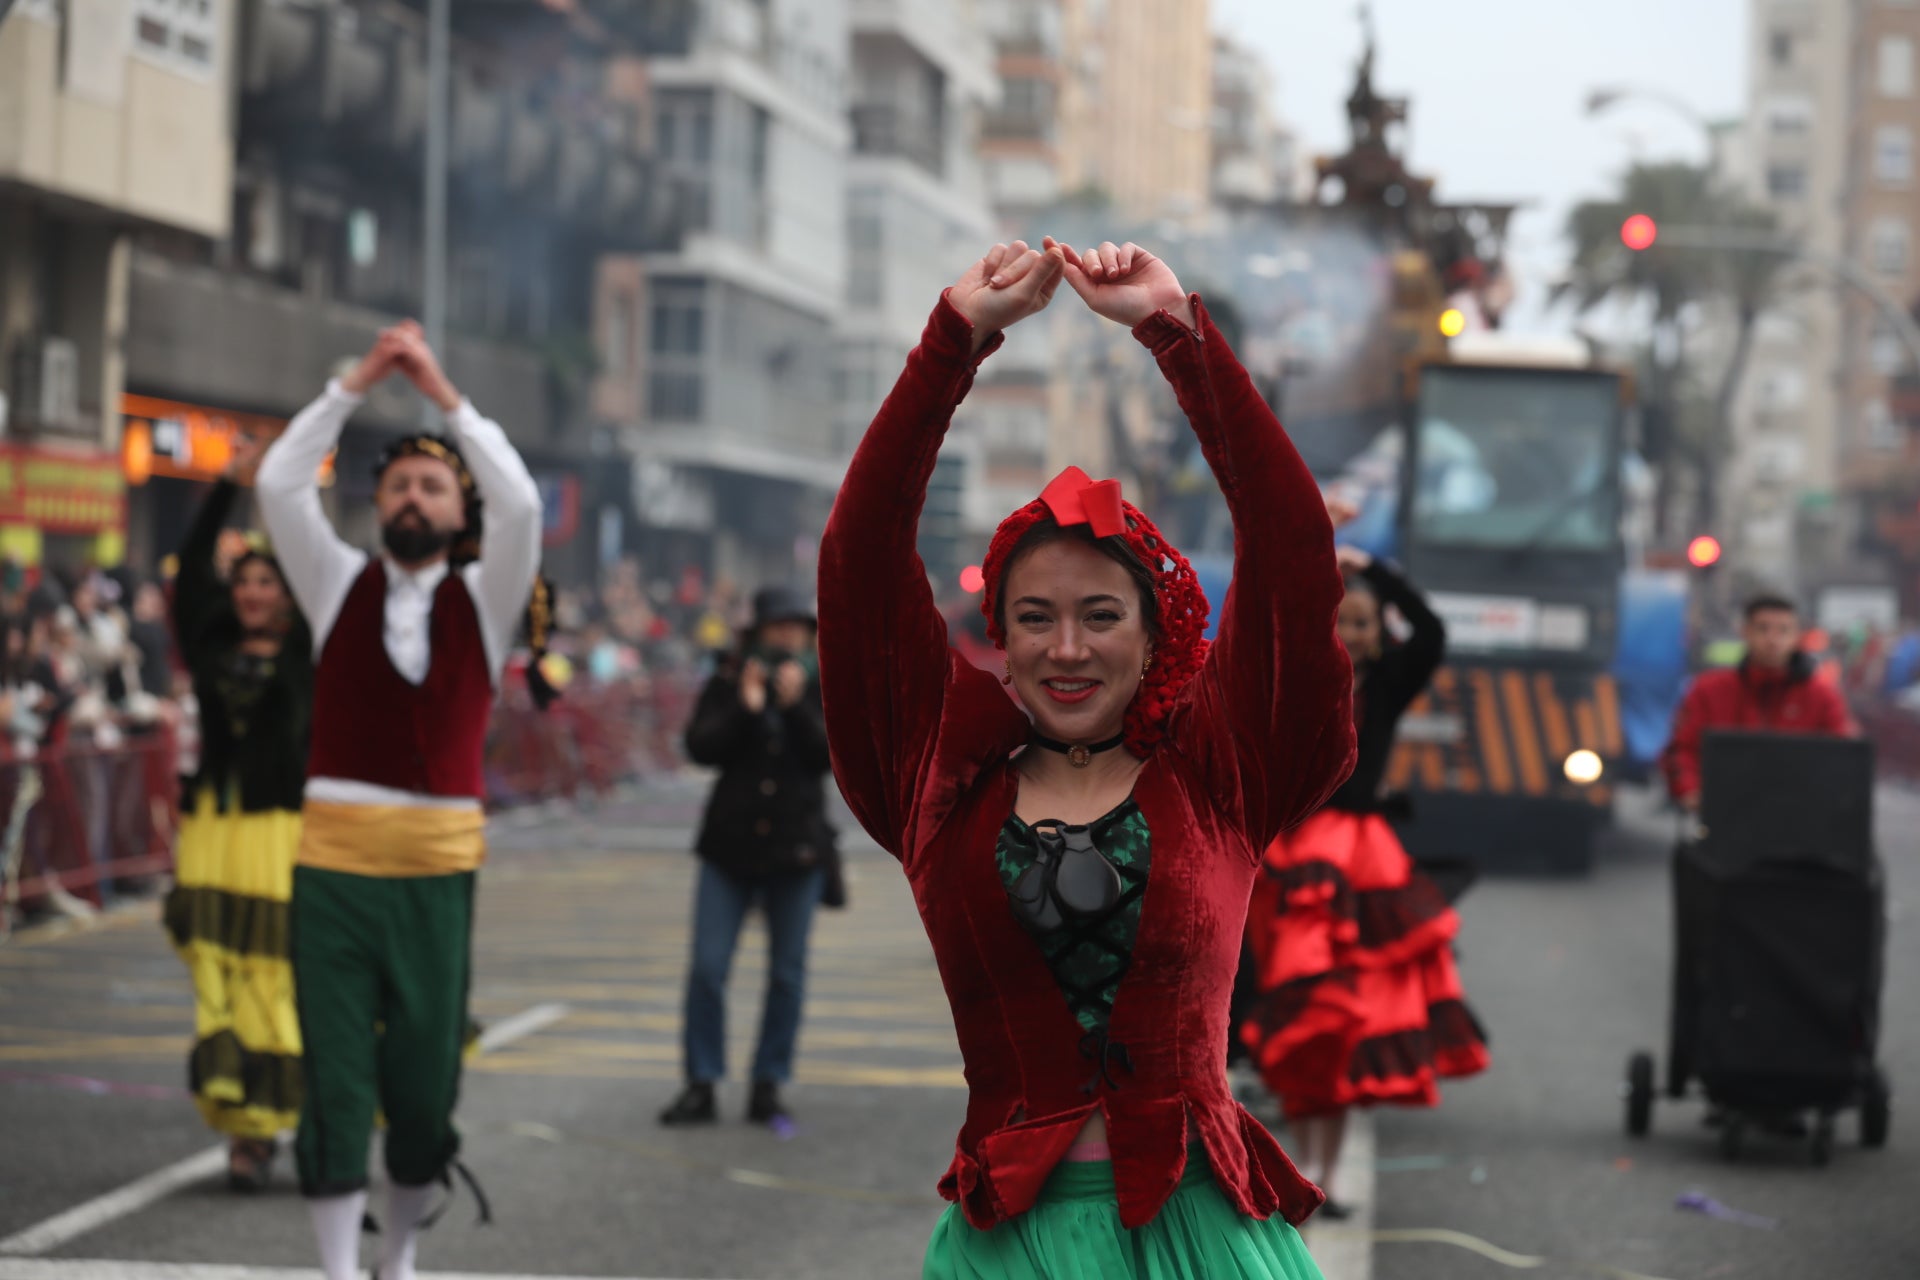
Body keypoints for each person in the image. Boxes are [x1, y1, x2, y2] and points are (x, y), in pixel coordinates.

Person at [818, 238, 1356, 1279]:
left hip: (1204, 1235)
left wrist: (1177, 334)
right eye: (1035, 618)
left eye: (1101, 614)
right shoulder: (937, 784)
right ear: (1002, 642)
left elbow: (1290, 551)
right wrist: (951, 343)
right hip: (1008, 1243)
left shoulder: (1222, 776)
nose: (1068, 647)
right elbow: (860, 566)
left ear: (1157, 638)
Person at [256, 321, 541, 1280]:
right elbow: (277, 484)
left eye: (432, 485)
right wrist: (358, 383)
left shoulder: (488, 598)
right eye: (397, 485)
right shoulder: (335, 584)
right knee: (336, 1077)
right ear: (374, 505)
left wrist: (445, 399)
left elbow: (523, 502)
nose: (413, 497)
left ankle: (400, 1253)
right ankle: (340, 1271)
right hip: (333, 868)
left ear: (460, 508)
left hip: (434, 876)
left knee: (424, 1085)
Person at [1239, 548, 1490, 1218]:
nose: (1351, 634)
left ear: (1379, 632)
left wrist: (1375, 571)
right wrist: (1316, 573)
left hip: (1356, 852)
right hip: (1293, 848)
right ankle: (1304, 1167)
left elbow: (1432, 631)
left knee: (1347, 1019)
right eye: (1340, 621)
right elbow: (1267, 628)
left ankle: (1329, 1172)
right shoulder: (1297, 681)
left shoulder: (1389, 682)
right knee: (1294, 1005)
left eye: (1363, 623)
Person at [162, 437, 313, 1189]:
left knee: (273, 977)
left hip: (279, 833)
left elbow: (323, 582)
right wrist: (226, 484)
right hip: (212, 832)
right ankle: (240, 1128)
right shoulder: (211, 643)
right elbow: (189, 574)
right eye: (245, 581)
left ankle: (280, 1120)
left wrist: (279, 500)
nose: (254, 593)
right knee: (216, 976)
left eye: (269, 581)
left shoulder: (306, 658)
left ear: (288, 593)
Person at [659, 585, 839, 1130]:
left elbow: (830, 757)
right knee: (708, 968)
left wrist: (796, 706)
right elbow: (699, 747)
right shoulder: (729, 678)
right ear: (758, 631)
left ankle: (768, 1081)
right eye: (776, 627)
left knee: (787, 974)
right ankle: (701, 1081)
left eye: (796, 628)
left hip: (796, 848)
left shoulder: (822, 684)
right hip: (728, 849)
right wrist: (746, 707)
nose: (786, 637)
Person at [1663, 593, 1859, 810]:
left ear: (1797, 636)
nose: (1773, 639)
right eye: (1763, 628)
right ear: (1745, 632)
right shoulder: (1709, 690)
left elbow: (1844, 757)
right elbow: (1681, 749)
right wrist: (1690, 790)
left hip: (1802, 818)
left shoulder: (1822, 696)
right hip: (1727, 814)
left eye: (1783, 630)